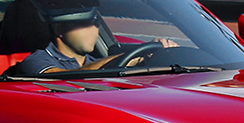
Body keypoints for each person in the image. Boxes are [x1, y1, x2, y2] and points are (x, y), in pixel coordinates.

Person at [15, 12, 178, 75]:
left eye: (95, 22)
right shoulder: (36, 60)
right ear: (59, 28)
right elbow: (59, 78)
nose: (94, 28)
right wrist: (137, 57)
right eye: (84, 23)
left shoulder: (93, 62)